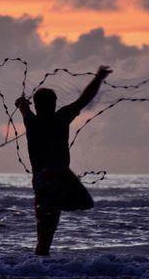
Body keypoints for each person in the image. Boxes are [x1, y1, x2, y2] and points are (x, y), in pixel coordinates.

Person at [15, 65, 112, 256]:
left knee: (44, 237)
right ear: (54, 104)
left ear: (37, 105)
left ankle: (39, 268)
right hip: (59, 175)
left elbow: (23, 106)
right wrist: (99, 78)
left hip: (41, 180)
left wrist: (21, 103)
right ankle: (54, 205)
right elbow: (85, 98)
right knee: (84, 203)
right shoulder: (61, 117)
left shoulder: (31, 121)